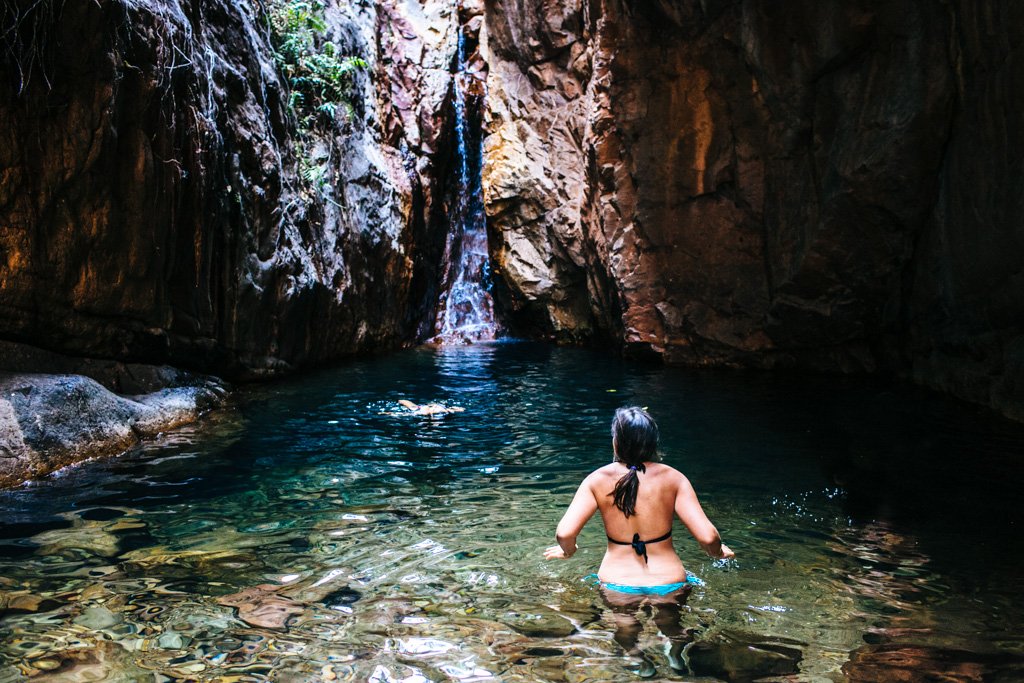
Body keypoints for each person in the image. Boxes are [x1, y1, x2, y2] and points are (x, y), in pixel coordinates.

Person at [544, 406, 734, 676]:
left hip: (618, 583)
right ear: (653, 443)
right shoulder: (673, 478)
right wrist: (718, 552)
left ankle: (637, 659)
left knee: (624, 627)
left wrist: (568, 551)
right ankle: (674, 649)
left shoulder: (596, 479)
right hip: (669, 581)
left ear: (616, 442)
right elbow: (708, 536)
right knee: (672, 623)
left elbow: (564, 532)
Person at [395, 399, 465, 417]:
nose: (435, 406)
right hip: (422, 409)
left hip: (420, 409)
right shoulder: (447, 410)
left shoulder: (421, 412)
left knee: (409, 405)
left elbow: (401, 414)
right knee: (404, 402)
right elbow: (462, 409)